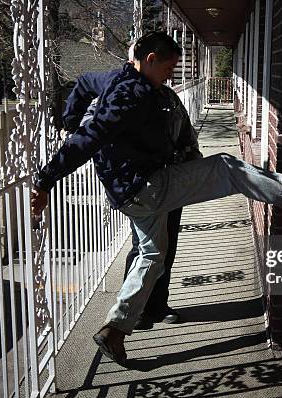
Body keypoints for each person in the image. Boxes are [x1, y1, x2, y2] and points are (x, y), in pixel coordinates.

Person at [31, 31, 282, 364]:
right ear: (150, 59)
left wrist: (71, 118)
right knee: (226, 168)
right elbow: (88, 138)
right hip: (147, 186)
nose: (171, 75)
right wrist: (45, 179)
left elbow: (84, 83)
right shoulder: (131, 95)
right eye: (169, 67)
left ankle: (115, 329)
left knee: (152, 254)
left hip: (128, 194)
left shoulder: (119, 81)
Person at [61, 51, 199, 327]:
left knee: (165, 245)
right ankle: (133, 312)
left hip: (173, 178)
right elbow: (91, 129)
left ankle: (157, 305)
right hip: (140, 184)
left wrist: (191, 160)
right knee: (143, 248)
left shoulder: (167, 97)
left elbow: (185, 130)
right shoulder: (116, 94)